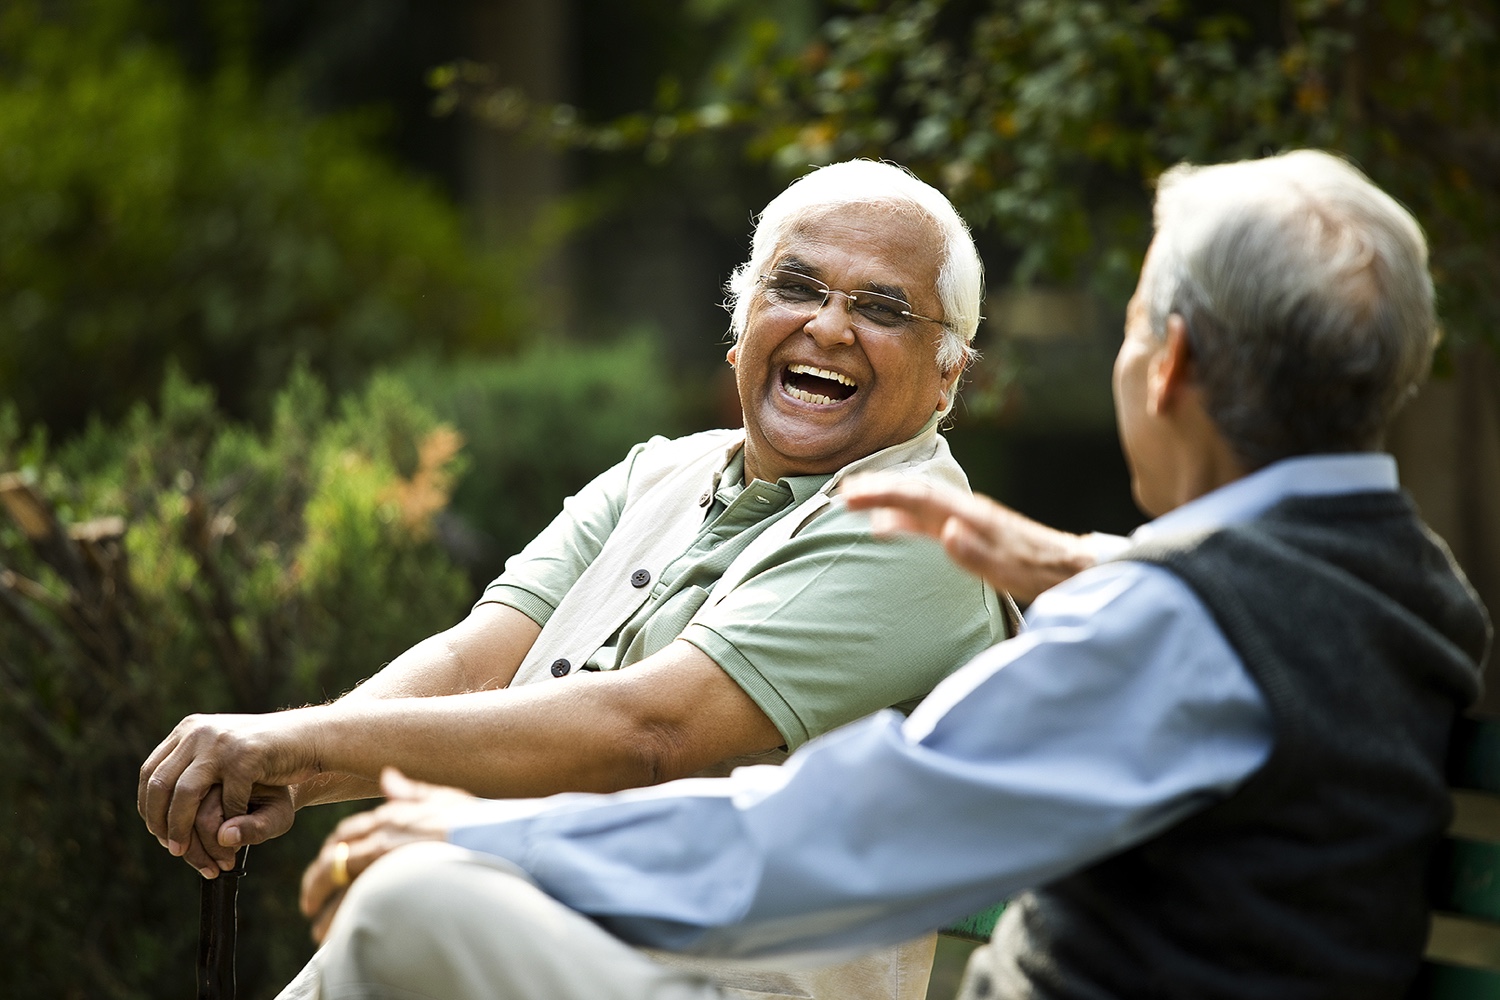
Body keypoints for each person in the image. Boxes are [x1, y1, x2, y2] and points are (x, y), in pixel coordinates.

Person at [289, 149, 1490, 1000]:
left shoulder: (1179, 630)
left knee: (413, 903)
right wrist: (1100, 566)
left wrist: (490, 837)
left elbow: (841, 836)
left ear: (1167, 363)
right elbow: (1250, 632)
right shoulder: (1411, 591)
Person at [139, 159, 1014, 1000]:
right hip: (532, 941)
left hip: (723, 982)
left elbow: (650, 731)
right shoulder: (656, 474)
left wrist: (303, 747)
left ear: (948, 376)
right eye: (796, 287)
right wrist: (288, 773)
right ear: (741, 319)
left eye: (881, 308)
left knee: (406, 907)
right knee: (406, 906)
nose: (828, 325)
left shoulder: (921, 532)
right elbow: (471, 663)